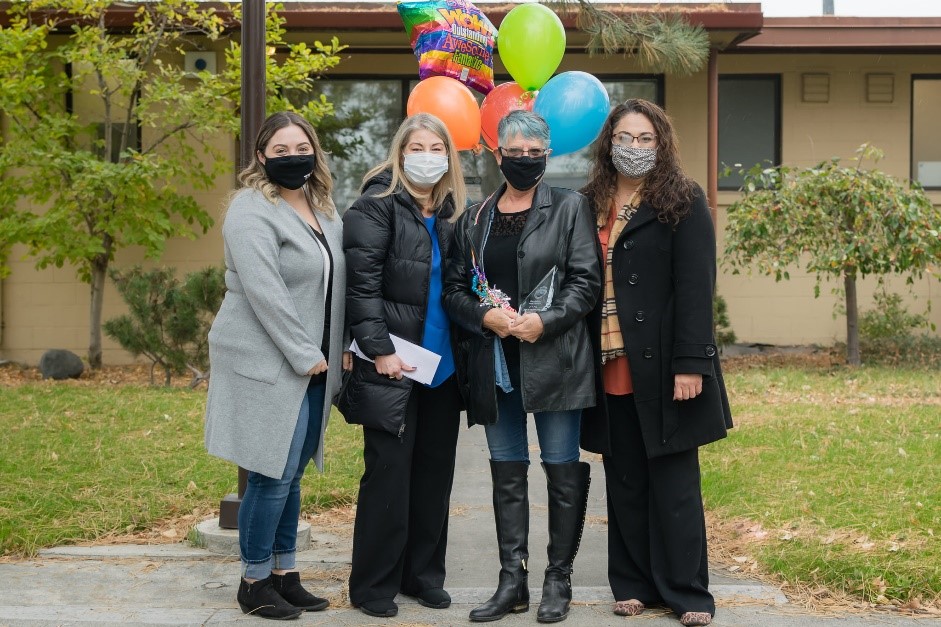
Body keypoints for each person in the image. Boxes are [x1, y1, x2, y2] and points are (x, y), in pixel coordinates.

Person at [443, 110, 601, 624]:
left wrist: (545, 322)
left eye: (535, 153)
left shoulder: (572, 206)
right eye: (515, 151)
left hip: (555, 359)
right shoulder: (477, 217)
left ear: (548, 156)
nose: (525, 161)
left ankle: (559, 578)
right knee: (506, 472)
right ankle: (512, 580)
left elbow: (586, 282)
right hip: (497, 363)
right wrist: (484, 315)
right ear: (497, 154)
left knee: (560, 468)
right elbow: (454, 289)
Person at [579, 99, 733, 627]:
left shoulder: (683, 199)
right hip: (606, 360)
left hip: (666, 365)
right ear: (609, 143)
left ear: (662, 144)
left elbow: (696, 287)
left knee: (674, 484)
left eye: (646, 139)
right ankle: (633, 584)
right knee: (624, 480)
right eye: (626, 137)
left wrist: (691, 363)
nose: (636, 148)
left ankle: (688, 593)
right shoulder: (589, 201)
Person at [204, 111, 346, 620]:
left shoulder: (323, 208)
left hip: (314, 363)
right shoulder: (249, 210)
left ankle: (285, 573)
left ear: (315, 151)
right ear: (261, 157)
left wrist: (339, 349)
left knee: (293, 474)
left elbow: (336, 288)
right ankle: (253, 580)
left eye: (301, 147)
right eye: (281, 150)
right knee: (271, 473)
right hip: (268, 360)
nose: (293, 157)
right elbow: (266, 292)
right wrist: (307, 355)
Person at [338, 112, 466, 619]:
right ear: (399, 152)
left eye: (438, 148)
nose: (428, 156)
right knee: (389, 475)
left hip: (445, 368)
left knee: (435, 478)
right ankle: (373, 585)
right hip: (393, 364)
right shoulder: (374, 208)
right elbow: (361, 288)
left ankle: (423, 576)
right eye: (418, 146)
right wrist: (379, 349)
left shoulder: (456, 212)